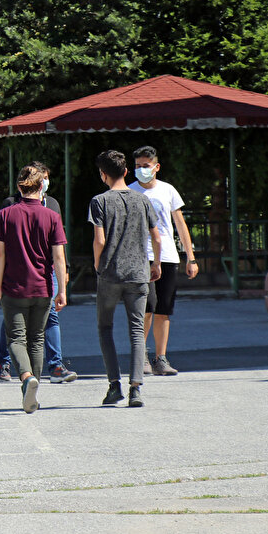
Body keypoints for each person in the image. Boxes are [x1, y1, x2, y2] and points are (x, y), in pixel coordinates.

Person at [0, 165, 69, 413]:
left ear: (19, 187)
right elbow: (59, 257)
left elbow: (0, 255)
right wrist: (62, 290)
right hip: (44, 287)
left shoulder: (7, 214)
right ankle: (32, 392)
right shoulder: (52, 216)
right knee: (37, 339)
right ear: (41, 187)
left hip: (14, 287)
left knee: (15, 338)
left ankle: (27, 378)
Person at [89, 150, 162, 408]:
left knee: (105, 328)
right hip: (139, 274)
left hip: (110, 273)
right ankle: (136, 389)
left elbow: (99, 240)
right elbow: (157, 237)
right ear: (126, 172)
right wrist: (156, 263)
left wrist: (98, 265)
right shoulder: (142, 201)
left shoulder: (100, 201)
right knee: (136, 329)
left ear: (103, 174)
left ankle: (114, 386)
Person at [130, 146, 198, 376]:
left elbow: (180, 224)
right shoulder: (130, 192)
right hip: (141, 257)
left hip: (167, 256)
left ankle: (161, 358)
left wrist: (191, 257)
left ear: (156, 167)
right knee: (146, 308)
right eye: (138, 166)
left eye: (145, 166)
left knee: (163, 310)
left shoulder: (168, 190)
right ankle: (142, 356)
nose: (141, 170)